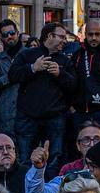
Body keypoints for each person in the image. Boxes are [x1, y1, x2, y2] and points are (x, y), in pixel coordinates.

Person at [9, 22, 78, 174]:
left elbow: (74, 85)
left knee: (55, 158)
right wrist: (33, 68)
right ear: (49, 36)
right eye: (61, 37)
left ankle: (50, 192)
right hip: (27, 117)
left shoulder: (65, 60)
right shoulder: (27, 54)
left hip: (55, 118)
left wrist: (61, 74)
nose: (64, 41)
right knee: (26, 159)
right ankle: (27, 192)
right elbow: (12, 75)